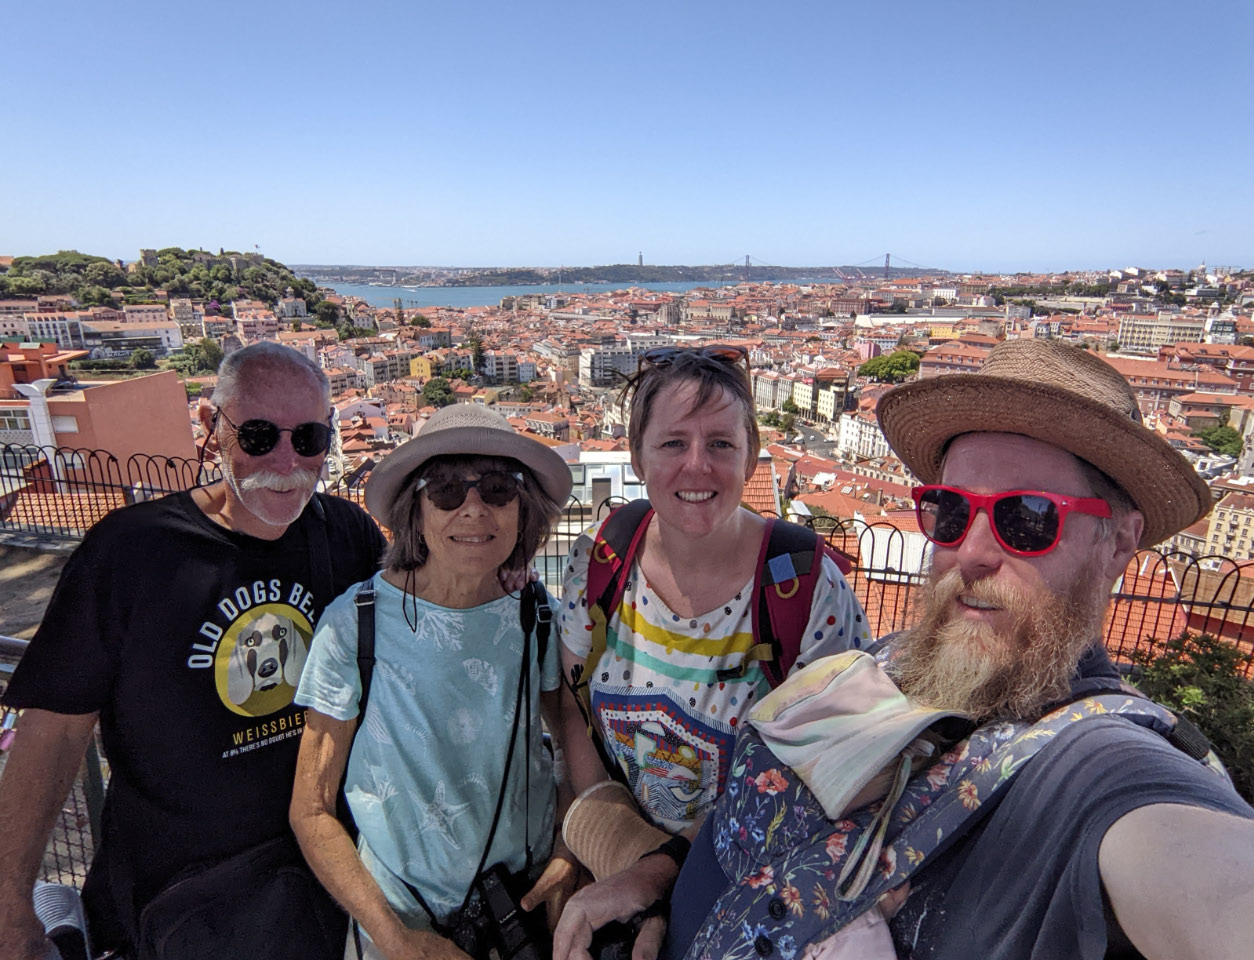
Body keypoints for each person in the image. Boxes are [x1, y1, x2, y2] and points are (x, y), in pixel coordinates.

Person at [664, 338, 1254, 960]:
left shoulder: (1096, 763)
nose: (972, 552)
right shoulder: (897, 658)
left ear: (1119, 542)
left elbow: (1227, 882)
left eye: (1028, 518)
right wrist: (654, 877)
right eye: (952, 511)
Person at [0, 341, 387, 960]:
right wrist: (9, 901)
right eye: (258, 436)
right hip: (174, 906)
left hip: (320, 890)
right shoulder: (130, 552)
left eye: (309, 437)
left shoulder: (348, 534)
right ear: (212, 425)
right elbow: (53, 731)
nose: (287, 460)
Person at [552, 346, 870, 960]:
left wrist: (659, 877)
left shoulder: (804, 590)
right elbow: (573, 709)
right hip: (617, 868)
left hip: (747, 893)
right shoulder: (600, 561)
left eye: (720, 444)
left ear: (750, 455)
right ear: (638, 456)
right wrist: (616, 848)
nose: (696, 465)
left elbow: (824, 783)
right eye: (673, 443)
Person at [289, 403, 580, 960]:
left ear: (523, 509)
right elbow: (311, 809)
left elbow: (571, 739)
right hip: (400, 921)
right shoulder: (355, 624)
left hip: (525, 908)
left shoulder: (536, 612)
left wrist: (569, 848)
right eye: (445, 490)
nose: (473, 508)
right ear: (415, 511)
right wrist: (397, 940)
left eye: (498, 488)